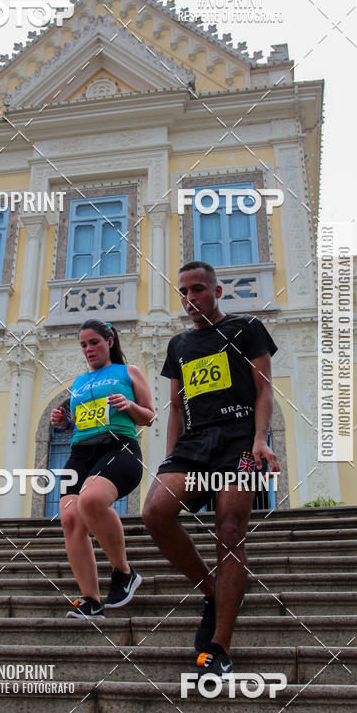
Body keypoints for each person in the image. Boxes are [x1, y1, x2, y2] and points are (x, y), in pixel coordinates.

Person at [142, 261, 280, 677]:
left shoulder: (246, 328)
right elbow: (175, 407)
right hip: (194, 445)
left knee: (230, 529)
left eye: (198, 289)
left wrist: (259, 439)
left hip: (239, 438)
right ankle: (215, 590)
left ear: (217, 291)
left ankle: (219, 645)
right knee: (154, 513)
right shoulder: (179, 345)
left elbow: (263, 388)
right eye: (183, 292)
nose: (190, 299)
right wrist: (169, 457)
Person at [51, 319, 154, 619]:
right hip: (81, 454)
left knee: (91, 500)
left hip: (119, 447)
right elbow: (78, 426)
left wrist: (129, 405)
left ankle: (124, 572)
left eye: (94, 342)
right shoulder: (79, 382)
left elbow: (148, 416)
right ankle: (90, 600)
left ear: (110, 341)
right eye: (83, 344)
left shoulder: (128, 372)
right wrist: (65, 423)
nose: (88, 349)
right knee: (70, 519)